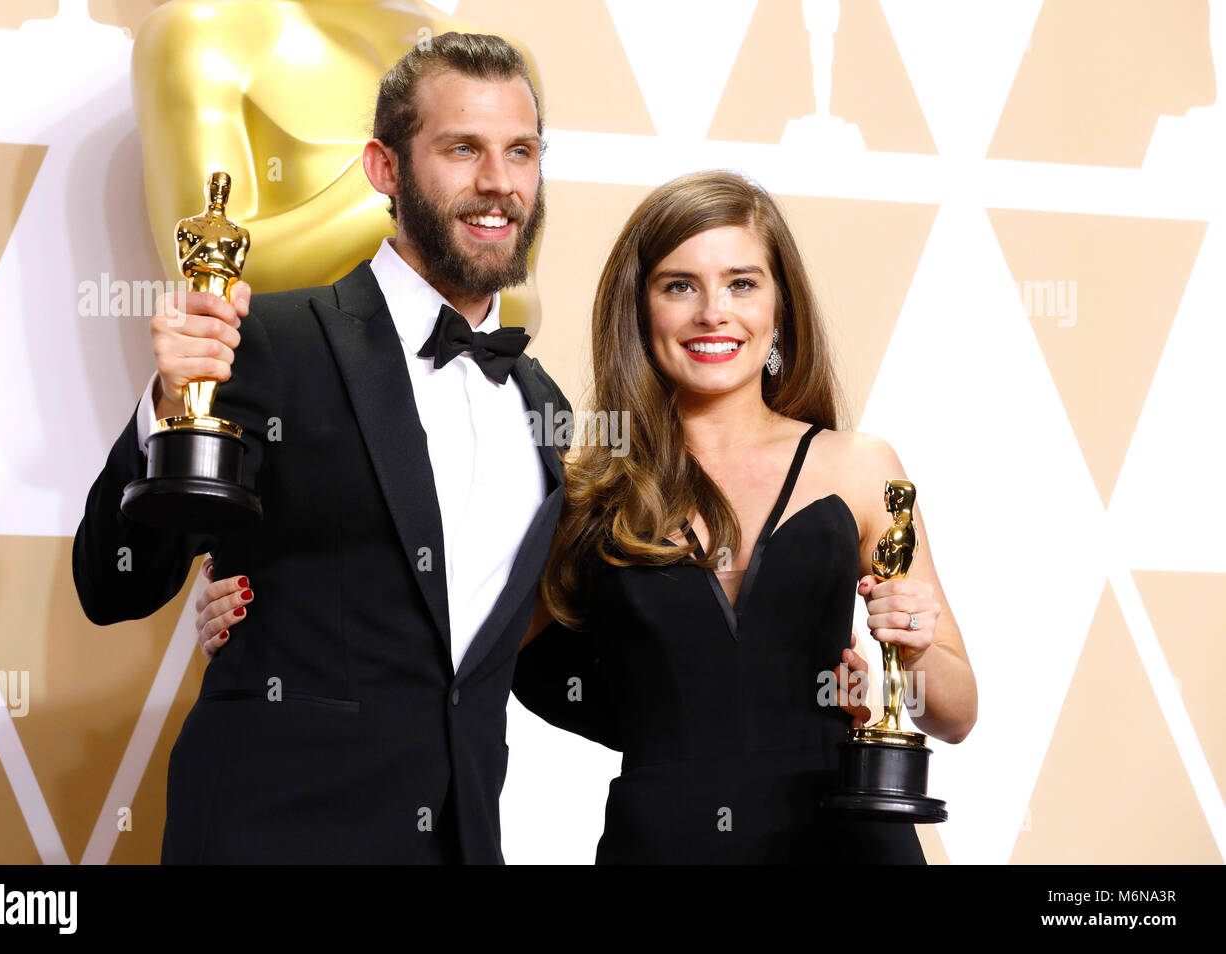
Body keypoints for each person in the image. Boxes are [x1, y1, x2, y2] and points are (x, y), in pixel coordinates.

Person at [197, 170, 978, 863]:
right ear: (640, 311)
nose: (714, 313)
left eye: (743, 283)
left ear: (779, 307)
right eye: (680, 285)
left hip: (846, 843)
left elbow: (954, 709)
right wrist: (269, 623)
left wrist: (907, 657)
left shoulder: (862, 466)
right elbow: (460, 641)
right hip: (662, 842)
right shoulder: (587, 482)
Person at [73, 33, 568, 864]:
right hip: (273, 836)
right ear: (384, 168)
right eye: (462, 149)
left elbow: (517, 653)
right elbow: (112, 581)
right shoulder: (273, 340)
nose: (498, 183)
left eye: (521, 152)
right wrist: (168, 405)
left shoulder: (541, 403)